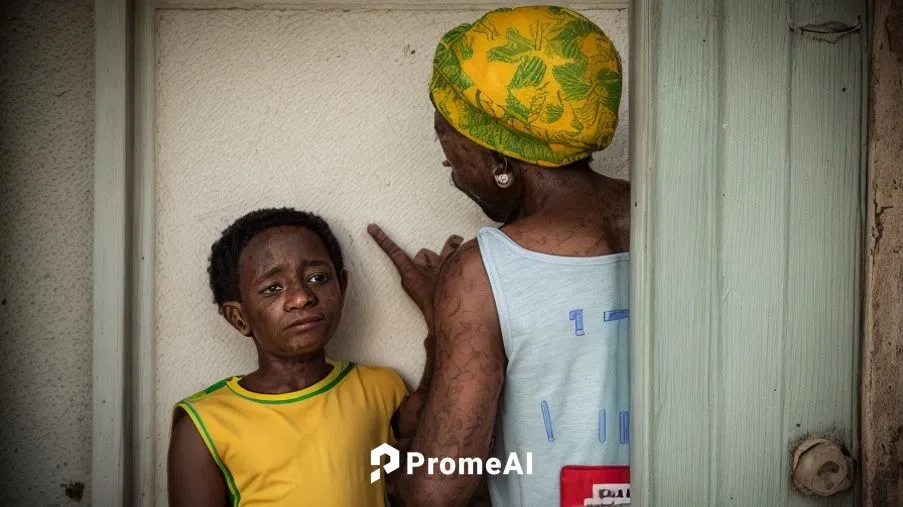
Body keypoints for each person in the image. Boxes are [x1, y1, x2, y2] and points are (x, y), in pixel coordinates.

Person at [369, 5, 630, 507]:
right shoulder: (686, 223)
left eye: (447, 136)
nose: (447, 161)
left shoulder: (480, 275)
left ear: (499, 156)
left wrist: (444, 325)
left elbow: (436, 493)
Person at [167, 207, 408, 507]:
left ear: (342, 288)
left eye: (318, 277)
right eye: (273, 288)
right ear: (239, 318)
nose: (301, 297)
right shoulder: (204, 424)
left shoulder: (383, 389)